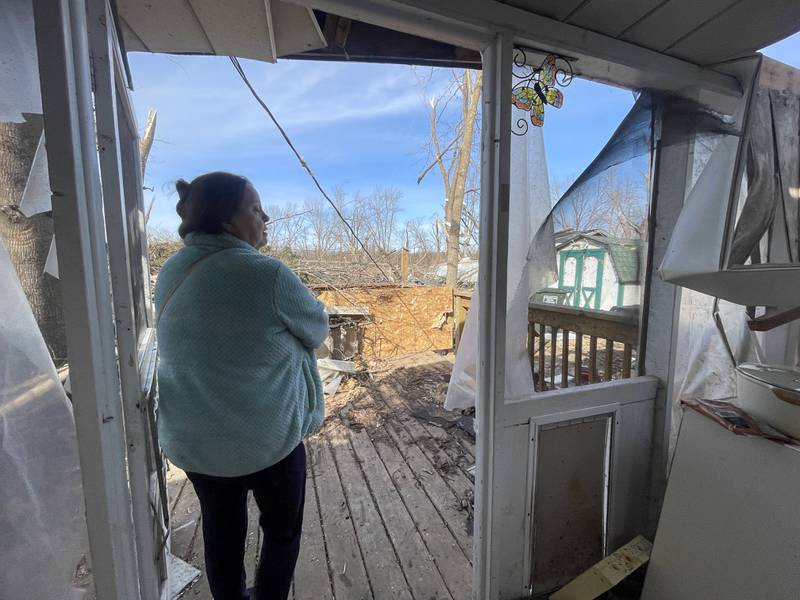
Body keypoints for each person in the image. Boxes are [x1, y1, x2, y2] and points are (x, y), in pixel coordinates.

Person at [154, 172, 328, 600]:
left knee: (221, 535)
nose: (265, 217)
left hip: (199, 445)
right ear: (227, 220)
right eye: (255, 208)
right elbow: (317, 327)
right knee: (282, 532)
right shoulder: (266, 273)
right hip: (268, 441)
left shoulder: (170, 272)